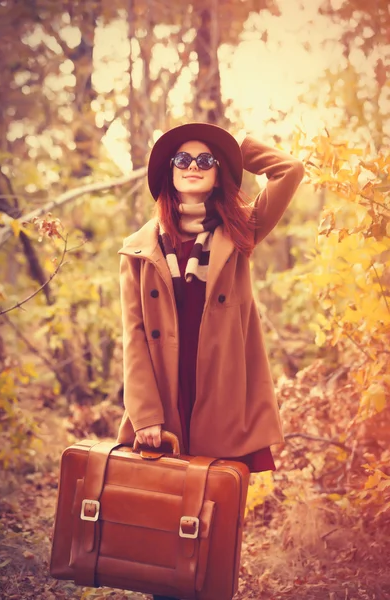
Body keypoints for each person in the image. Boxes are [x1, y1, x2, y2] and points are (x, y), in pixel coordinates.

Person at [116, 122, 304, 600]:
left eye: (206, 160)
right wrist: (146, 416)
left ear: (220, 174)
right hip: (167, 404)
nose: (194, 167)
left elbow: (291, 171)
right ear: (168, 174)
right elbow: (134, 337)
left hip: (222, 401)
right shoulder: (139, 249)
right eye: (183, 160)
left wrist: (241, 150)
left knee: (214, 538)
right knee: (163, 540)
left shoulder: (242, 232)